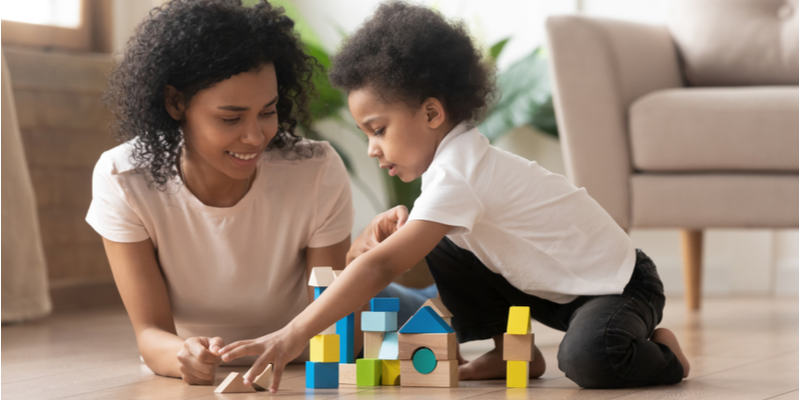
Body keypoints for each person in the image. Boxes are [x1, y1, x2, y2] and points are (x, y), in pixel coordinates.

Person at [219, 1, 691, 392]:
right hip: (550, 289)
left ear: (431, 113)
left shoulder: (460, 173)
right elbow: (395, 256)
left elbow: (383, 267)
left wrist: (292, 332)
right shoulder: (455, 167)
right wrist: (374, 244)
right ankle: (510, 353)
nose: (371, 148)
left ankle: (665, 354)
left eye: (378, 130)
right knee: (441, 237)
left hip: (619, 288)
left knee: (589, 359)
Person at [87, 0, 432, 386]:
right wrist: (182, 355)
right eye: (230, 118)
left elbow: (333, 321)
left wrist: (355, 259)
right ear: (175, 102)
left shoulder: (312, 169)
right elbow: (150, 333)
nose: (255, 137)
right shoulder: (125, 178)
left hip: (332, 328)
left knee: (441, 309)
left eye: (267, 111)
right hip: (276, 347)